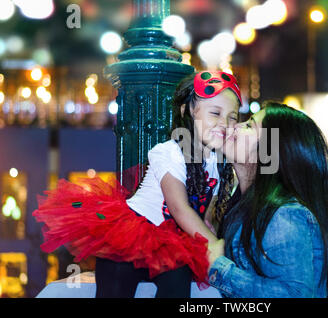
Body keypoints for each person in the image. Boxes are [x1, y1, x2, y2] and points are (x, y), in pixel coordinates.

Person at [33, 70, 241, 298]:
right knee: (115, 286)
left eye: (232, 116)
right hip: (132, 234)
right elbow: (179, 209)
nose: (225, 123)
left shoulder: (217, 162)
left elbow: (204, 213)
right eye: (215, 113)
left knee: (178, 286)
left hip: (172, 244)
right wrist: (214, 244)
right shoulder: (169, 151)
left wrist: (209, 232)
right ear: (187, 111)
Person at [207, 101, 328, 298]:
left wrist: (220, 269)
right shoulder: (247, 208)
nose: (235, 126)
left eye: (249, 125)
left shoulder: (282, 214)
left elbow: (295, 295)